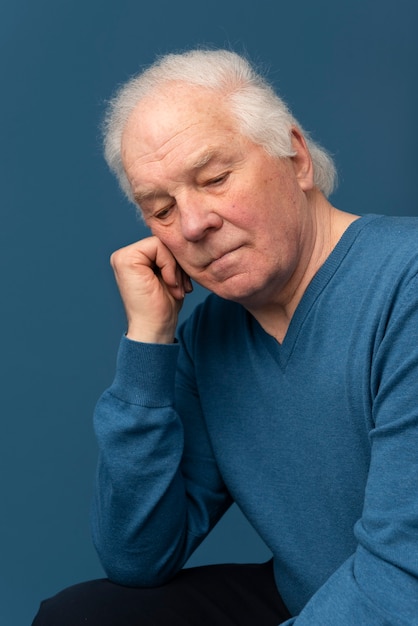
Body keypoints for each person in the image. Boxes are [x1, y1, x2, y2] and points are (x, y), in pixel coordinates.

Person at [33, 49, 418, 625]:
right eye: (160, 209)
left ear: (297, 158)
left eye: (214, 179)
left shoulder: (404, 284)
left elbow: (404, 579)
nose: (192, 225)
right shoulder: (211, 336)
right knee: (85, 616)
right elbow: (137, 555)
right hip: (312, 596)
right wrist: (150, 341)